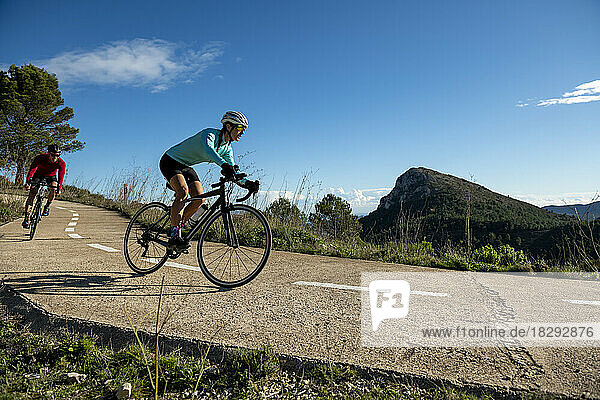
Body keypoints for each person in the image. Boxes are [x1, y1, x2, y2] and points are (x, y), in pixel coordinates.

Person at [159, 111, 260, 248]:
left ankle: (179, 226)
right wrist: (224, 165)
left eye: (245, 130)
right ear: (229, 126)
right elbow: (209, 151)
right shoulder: (210, 134)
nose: (242, 133)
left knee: (199, 199)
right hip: (170, 161)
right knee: (183, 191)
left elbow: (233, 169)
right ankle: (174, 233)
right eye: (240, 128)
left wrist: (247, 183)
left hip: (186, 166)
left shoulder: (227, 149)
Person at [22, 144, 66, 228]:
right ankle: (26, 218)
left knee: (53, 187)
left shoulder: (61, 163)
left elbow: (61, 176)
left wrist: (58, 189)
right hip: (38, 175)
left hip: (51, 176)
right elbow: (32, 169)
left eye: (57, 155)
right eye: (53, 155)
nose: (55, 157)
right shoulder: (40, 158)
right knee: (32, 192)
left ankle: (47, 206)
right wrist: (28, 182)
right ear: (48, 153)